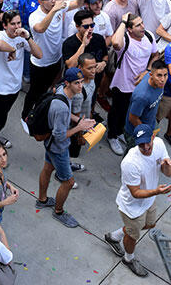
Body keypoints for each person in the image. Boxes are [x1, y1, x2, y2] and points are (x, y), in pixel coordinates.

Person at [103, 125, 171, 277]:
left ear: (153, 137)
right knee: (133, 235)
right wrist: (157, 191)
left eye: (148, 142)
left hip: (150, 199)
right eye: (141, 144)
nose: (146, 147)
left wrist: (169, 167)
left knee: (149, 225)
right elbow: (135, 193)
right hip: (131, 206)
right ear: (136, 142)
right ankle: (128, 259)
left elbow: (167, 173)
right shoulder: (130, 162)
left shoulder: (159, 144)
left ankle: (114, 236)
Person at [36, 67, 96, 227]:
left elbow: (65, 114)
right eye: (77, 83)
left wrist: (78, 121)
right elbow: (60, 135)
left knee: (47, 169)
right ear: (68, 83)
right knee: (68, 183)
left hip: (50, 145)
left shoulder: (62, 92)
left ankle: (42, 200)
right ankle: (59, 212)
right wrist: (80, 127)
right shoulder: (61, 107)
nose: (81, 86)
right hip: (58, 148)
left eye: (82, 82)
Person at [21, 0, 85, 120]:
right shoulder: (35, 16)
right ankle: (26, 115)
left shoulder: (58, 8)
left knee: (50, 88)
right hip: (40, 63)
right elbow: (40, 29)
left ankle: (42, 111)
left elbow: (78, 3)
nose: (53, 1)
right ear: (40, 1)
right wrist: (54, 10)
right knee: (34, 92)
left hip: (56, 59)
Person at [0, 10, 42, 147]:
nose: (17, 27)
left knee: (1, 117)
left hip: (14, 88)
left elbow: (39, 54)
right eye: (13, 24)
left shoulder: (22, 38)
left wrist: (28, 38)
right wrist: (12, 49)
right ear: (5, 25)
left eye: (19, 23)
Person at [107, 13, 159, 155]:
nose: (143, 27)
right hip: (122, 85)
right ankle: (112, 135)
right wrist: (123, 21)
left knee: (130, 113)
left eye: (142, 23)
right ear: (129, 29)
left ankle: (120, 132)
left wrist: (147, 70)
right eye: (138, 25)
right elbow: (116, 43)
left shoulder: (148, 36)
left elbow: (156, 55)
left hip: (139, 86)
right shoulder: (125, 39)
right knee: (117, 111)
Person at [124, 59, 169, 140]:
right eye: (159, 75)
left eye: (165, 75)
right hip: (136, 132)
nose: (163, 79)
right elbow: (133, 118)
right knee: (135, 152)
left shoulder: (159, 83)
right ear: (151, 75)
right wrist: (146, 133)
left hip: (151, 123)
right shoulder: (141, 97)